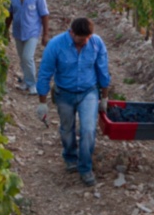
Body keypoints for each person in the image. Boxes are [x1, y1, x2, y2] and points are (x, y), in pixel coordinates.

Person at [36, 17, 110, 187]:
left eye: (87, 39)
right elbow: (45, 73)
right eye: (80, 39)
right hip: (64, 93)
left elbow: (103, 70)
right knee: (67, 129)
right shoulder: (55, 45)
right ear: (71, 32)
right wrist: (42, 102)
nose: (84, 42)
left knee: (89, 129)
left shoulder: (96, 43)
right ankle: (70, 156)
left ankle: (85, 168)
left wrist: (104, 97)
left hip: (88, 92)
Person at [5, 0, 50, 95]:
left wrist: (45, 34)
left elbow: (44, 14)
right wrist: (5, 30)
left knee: (27, 57)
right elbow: (9, 13)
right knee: (22, 57)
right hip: (18, 31)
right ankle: (26, 81)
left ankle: (33, 84)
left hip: (32, 31)